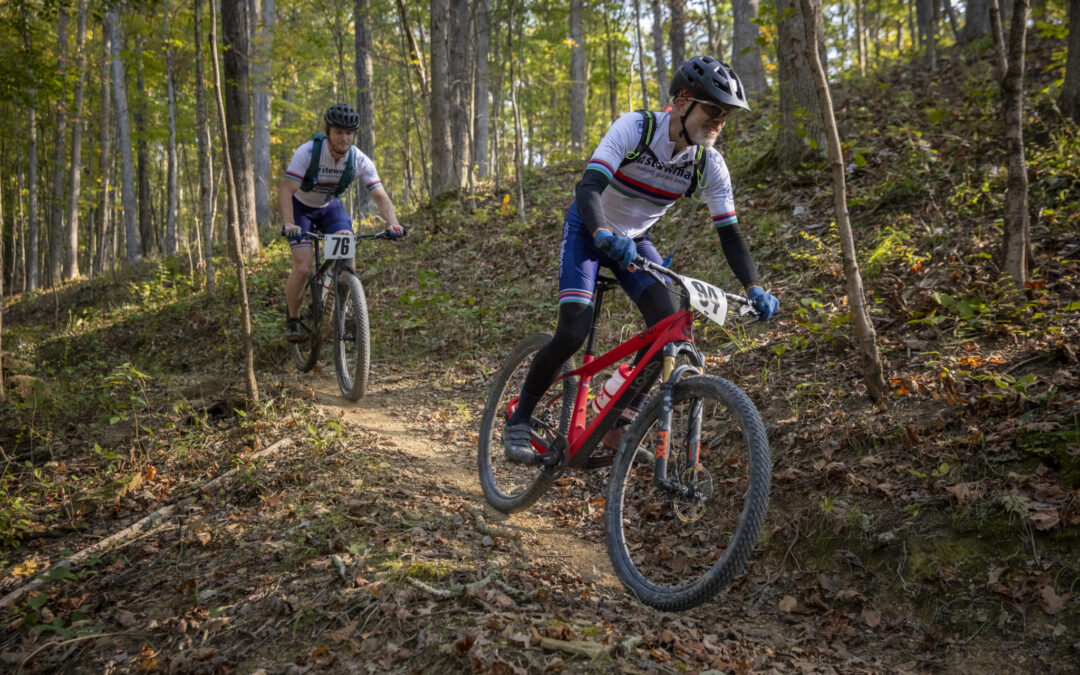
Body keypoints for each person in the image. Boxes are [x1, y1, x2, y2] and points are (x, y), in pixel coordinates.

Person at [503, 56, 779, 464]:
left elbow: (730, 233)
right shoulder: (635, 128)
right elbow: (589, 187)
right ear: (682, 102)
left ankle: (617, 422)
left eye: (726, 115)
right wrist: (600, 233)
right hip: (588, 228)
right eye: (713, 110)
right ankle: (520, 419)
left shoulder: (708, 165)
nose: (720, 121)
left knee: (670, 333)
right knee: (574, 329)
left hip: (634, 240)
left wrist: (753, 287)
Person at [279, 103, 405, 342]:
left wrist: (394, 223)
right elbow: (285, 191)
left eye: (349, 133)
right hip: (301, 208)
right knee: (303, 267)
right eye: (338, 132)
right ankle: (293, 319)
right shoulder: (307, 153)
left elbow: (380, 195)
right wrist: (288, 223)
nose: (344, 138)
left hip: (329, 207)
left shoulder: (359, 160)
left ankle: (346, 305)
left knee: (347, 249)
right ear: (328, 132)